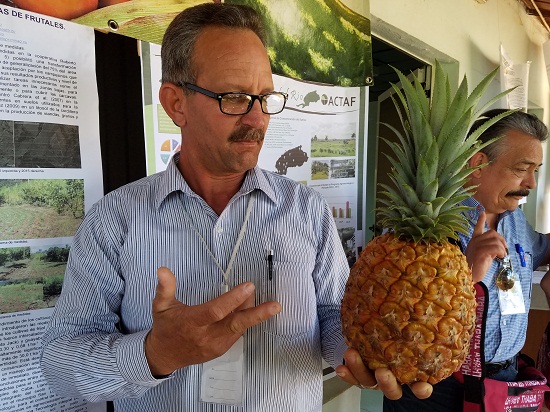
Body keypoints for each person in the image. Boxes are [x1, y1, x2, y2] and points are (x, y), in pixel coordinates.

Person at [41, 3, 426, 410]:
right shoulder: (114, 220)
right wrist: (155, 354)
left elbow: (334, 314)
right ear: (176, 103)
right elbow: (59, 362)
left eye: (265, 98)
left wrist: (363, 351)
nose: (258, 119)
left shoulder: (307, 210)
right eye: (236, 97)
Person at [383, 109, 550, 411]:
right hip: (434, 388)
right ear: (478, 164)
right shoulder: (425, 224)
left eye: (535, 170)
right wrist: (465, 273)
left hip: (504, 382)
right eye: (522, 169)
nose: (531, 183)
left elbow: (542, 248)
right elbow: (395, 317)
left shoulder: (515, 220)